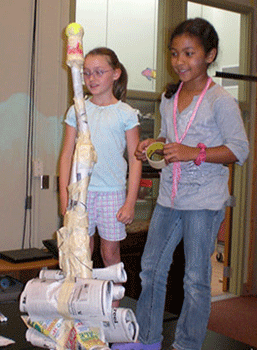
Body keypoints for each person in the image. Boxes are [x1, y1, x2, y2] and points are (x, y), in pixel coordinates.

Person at [111, 18, 249, 350]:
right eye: (174, 54)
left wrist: (193, 153)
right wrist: (152, 145)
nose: (179, 61)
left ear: (210, 54)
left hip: (204, 202)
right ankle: (147, 339)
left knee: (195, 281)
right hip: (169, 200)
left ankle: (187, 345)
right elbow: (172, 140)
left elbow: (239, 150)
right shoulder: (169, 96)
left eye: (189, 53)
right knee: (150, 271)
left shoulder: (221, 101)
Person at [59, 47, 142, 289]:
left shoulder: (125, 113)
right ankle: (83, 301)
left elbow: (136, 159)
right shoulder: (78, 110)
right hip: (82, 193)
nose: (92, 79)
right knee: (81, 252)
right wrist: (64, 195)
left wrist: (130, 202)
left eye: (99, 72)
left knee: (110, 254)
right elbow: (66, 154)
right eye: (86, 73)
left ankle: (112, 303)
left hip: (112, 193)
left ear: (115, 73)